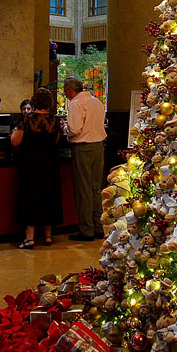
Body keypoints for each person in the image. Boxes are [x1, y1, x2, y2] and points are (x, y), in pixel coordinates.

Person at [11, 87, 63, 249]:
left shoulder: (27, 120)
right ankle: (48, 235)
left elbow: (15, 141)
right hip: (50, 165)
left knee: (30, 198)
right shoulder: (55, 121)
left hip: (31, 165)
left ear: (34, 102)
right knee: (49, 197)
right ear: (49, 103)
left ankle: (29, 238)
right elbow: (56, 141)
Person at [63, 76, 106, 241]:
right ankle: (98, 227)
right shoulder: (96, 101)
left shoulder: (76, 103)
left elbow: (74, 128)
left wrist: (65, 128)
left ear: (70, 90)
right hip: (98, 147)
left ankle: (86, 230)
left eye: (65, 92)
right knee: (96, 189)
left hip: (82, 148)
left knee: (83, 189)